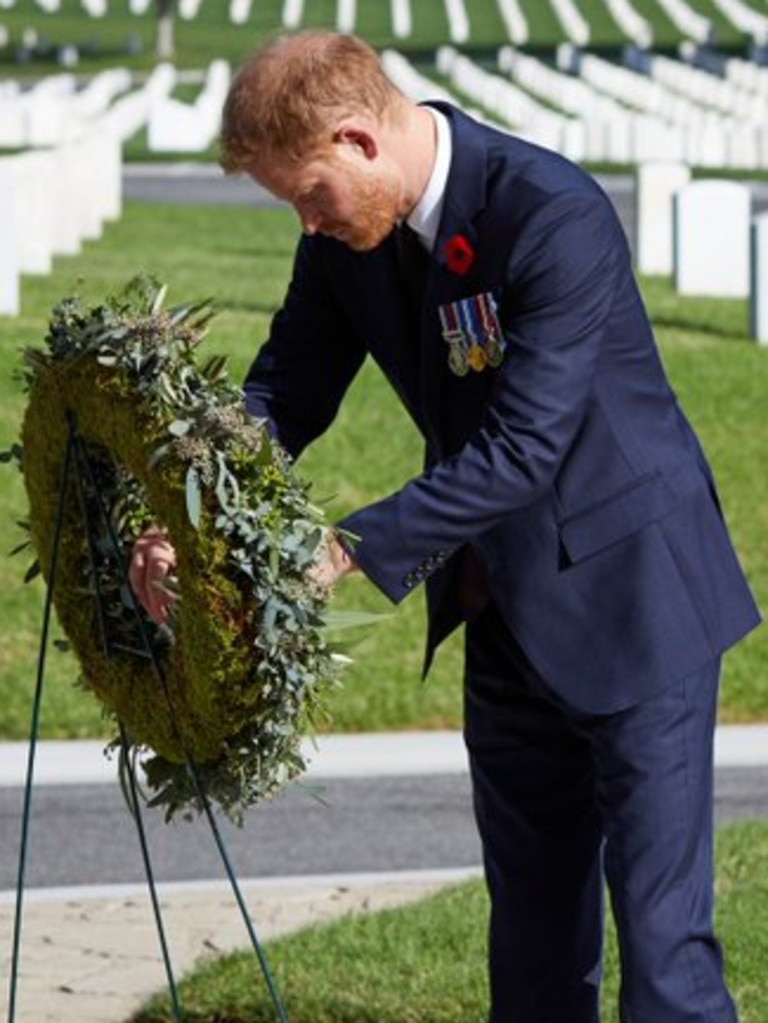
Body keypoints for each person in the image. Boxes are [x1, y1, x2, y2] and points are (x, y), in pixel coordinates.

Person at [130, 31, 762, 1023]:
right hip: (502, 607)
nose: (304, 221)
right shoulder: (346, 240)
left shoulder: (550, 213)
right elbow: (285, 390)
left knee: (663, 950)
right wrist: (189, 512)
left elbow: (524, 449)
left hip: (636, 602)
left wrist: (339, 551)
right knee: (533, 943)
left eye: (308, 193)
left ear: (359, 140)